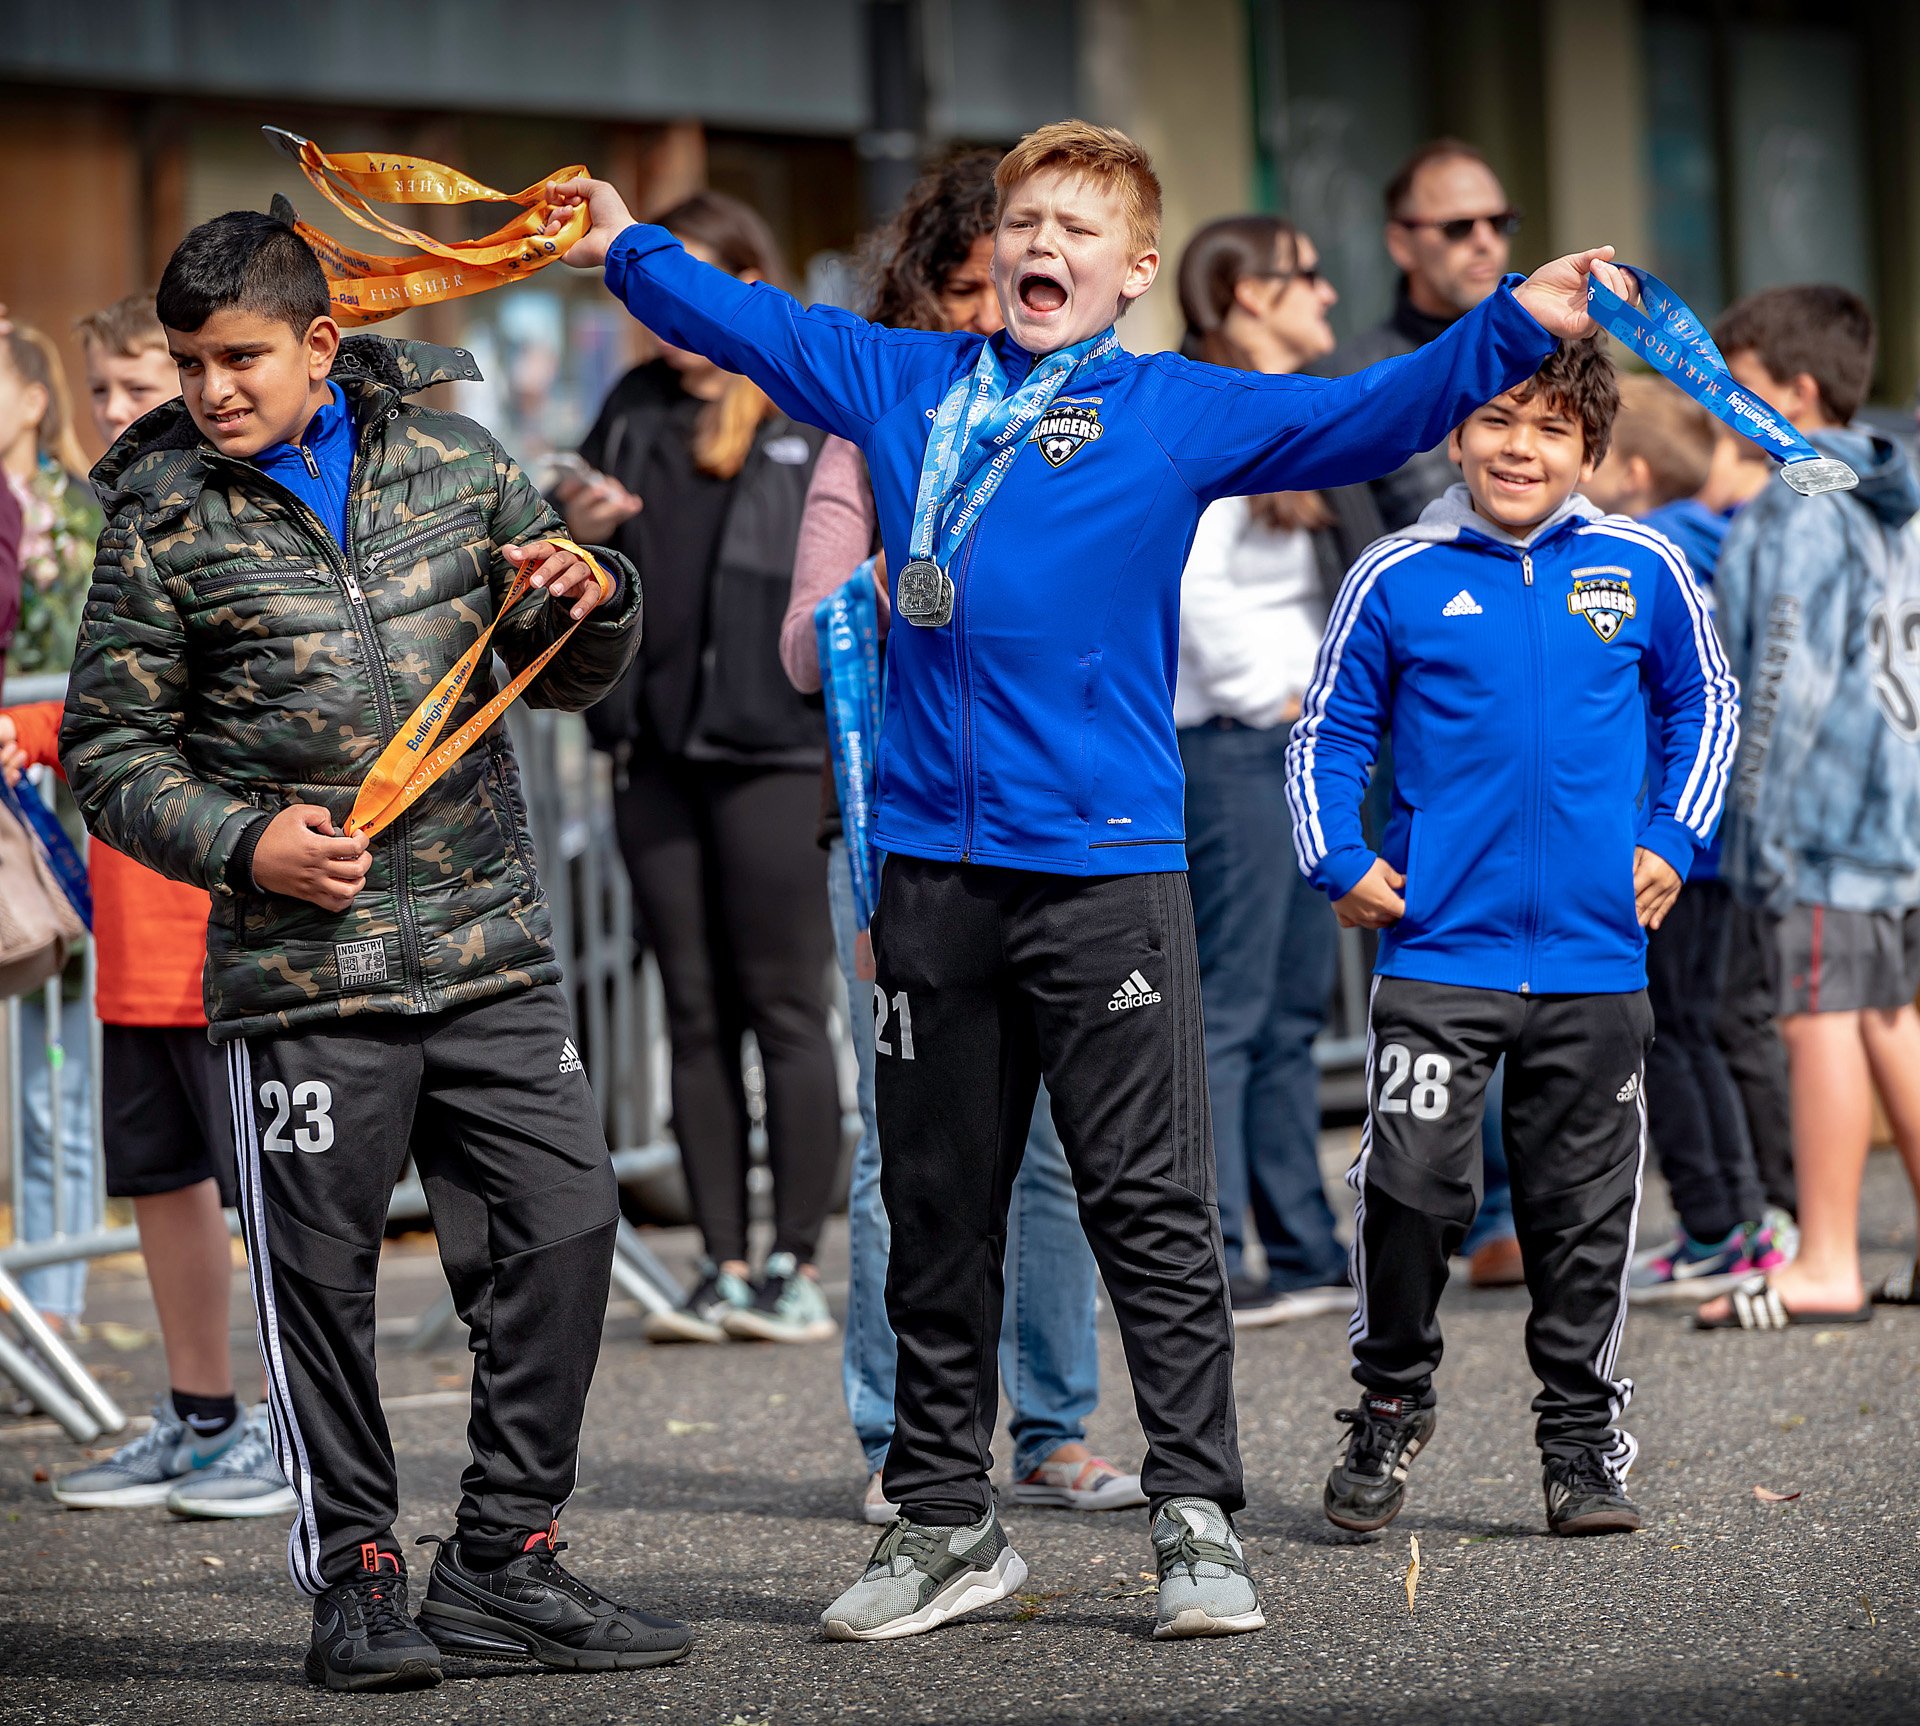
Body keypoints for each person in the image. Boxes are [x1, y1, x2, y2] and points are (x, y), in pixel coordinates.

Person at [550, 118, 1630, 1640]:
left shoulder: (1171, 408)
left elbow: (1373, 412)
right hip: (931, 872)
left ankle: (1196, 1514)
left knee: (1148, 1207)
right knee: (935, 1211)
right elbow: (751, 321)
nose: (1040, 244)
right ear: (991, 258)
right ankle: (942, 1521)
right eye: (1021, 222)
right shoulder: (903, 379)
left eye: (1076, 227)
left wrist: (1517, 320)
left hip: (1108, 870)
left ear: (1131, 272)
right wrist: (625, 244)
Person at [61, 210, 689, 1690]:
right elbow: (110, 744)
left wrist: (593, 598)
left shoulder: (457, 462)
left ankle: (505, 1556)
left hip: (487, 952)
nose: (212, 389)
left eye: (242, 359)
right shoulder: (160, 515)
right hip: (302, 982)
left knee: (569, 1226)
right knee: (323, 1296)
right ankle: (358, 1578)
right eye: (190, 362)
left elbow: (554, 666)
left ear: (321, 347)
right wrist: (244, 841)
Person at [1291, 338, 1734, 1538]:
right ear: (1457, 434)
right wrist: (1339, 857)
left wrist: (1673, 837)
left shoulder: (1641, 566)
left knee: (1581, 1214)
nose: (1518, 447)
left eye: (1548, 429)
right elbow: (1327, 732)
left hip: (1597, 959)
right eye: (1496, 420)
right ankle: (1389, 1399)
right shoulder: (1398, 572)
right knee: (1413, 1189)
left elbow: (1708, 703)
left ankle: (1581, 1443)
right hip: (1439, 954)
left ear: (1592, 453)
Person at [781, 152, 1142, 1524]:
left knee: (1052, 1144)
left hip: (1056, 841)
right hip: (898, 847)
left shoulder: (1089, 420)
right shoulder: (876, 419)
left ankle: (1054, 1424)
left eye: (1044, 267)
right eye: (985, 280)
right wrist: (906, 575)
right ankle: (900, 1439)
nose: (1013, 302)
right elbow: (805, 648)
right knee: (906, 1147)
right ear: (935, 294)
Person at [19, 290, 293, 1517]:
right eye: (109, 392)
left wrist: (31, 724)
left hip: (224, 919)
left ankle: (296, 1428)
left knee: (268, 1193)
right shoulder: (115, 515)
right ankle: (200, 1417)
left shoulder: (220, 513)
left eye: (143, 386)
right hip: (131, 923)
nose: (124, 414)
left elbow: (178, 696)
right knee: (162, 1177)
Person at [564, 191, 842, 1348]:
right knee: (691, 1012)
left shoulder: (804, 398)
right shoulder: (627, 408)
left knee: (784, 1008)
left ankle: (791, 1263)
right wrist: (582, 518)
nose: (669, 317)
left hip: (776, 752)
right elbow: (576, 566)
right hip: (655, 752)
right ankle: (718, 1262)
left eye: (692, 283)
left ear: (743, 285)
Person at [1314, 137, 1530, 1288]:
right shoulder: (1367, 372)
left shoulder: (1543, 348)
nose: (1487, 243)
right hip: (1415, 728)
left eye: (1497, 221)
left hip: (1544, 719)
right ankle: (1466, 1209)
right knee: (1448, 972)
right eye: (1458, 227)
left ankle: (1547, 1201)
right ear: (1402, 242)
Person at [1693, 286, 1920, 1330]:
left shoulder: (1799, 500)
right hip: (1890, 806)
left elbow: (1782, 675)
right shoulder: (1880, 488)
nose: (1718, 403)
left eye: (1734, 384)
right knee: (1887, 1016)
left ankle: (1826, 1252)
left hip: (1818, 816)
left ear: (1795, 390)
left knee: (1817, 1016)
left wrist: (1759, 825)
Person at [1172, 214, 1379, 1328]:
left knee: (1296, 1007)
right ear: (1249, 293)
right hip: (1240, 743)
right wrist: (1278, 696)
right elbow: (1192, 592)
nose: (1328, 298)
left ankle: (1300, 1244)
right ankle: (1215, 1252)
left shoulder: (1284, 414)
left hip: (1295, 747)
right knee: (1237, 1009)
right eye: (1307, 277)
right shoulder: (1206, 409)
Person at [1581, 376, 1790, 1296]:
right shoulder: (1734, 543)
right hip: (1733, 826)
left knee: (1673, 1036)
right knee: (1721, 1026)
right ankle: (1761, 1212)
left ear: (1627, 471)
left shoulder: (1643, 555)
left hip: (1673, 837)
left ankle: (1722, 1225)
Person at [0, 322, 105, 1333]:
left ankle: (60, 1300)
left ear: (32, 400)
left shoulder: (74, 522)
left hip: (61, 834)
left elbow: (83, 686)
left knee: (55, 1082)